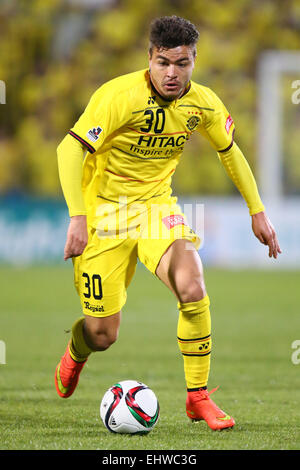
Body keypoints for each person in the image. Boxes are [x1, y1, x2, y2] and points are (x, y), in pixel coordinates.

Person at [55, 15, 281, 431]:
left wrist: (257, 210)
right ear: (149, 58)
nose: (172, 73)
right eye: (163, 63)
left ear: (195, 60)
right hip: (105, 213)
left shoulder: (204, 104)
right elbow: (69, 151)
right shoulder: (117, 96)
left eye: (182, 63)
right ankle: (77, 350)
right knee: (103, 333)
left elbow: (229, 151)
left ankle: (198, 398)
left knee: (192, 285)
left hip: (156, 209)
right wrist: (78, 216)